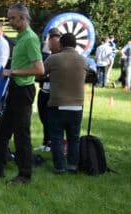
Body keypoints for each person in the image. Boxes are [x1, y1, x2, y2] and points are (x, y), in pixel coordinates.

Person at [0, 3, 44, 184]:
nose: (9, 22)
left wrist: (13, 72)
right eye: (9, 18)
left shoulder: (31, 38)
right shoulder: (21, 37)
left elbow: (39, 69)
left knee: (21, 135)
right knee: (2, 132)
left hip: (24, 92)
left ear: (23, 18)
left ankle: (25, 175)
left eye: (12, 18)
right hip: (15, 89)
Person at [44, 33, 91, 174]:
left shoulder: (53, 58)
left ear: (61, 44)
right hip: (77, 104)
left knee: (57, 137)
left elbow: (41, 73)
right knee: (74, 137)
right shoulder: (83, 60)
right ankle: (72, 165)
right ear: (75, 44)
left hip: (57, 103)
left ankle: (59, 167)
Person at [35, 27, 61, 152]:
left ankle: (51, 143)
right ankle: (46, 142)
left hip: (54, 93)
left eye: (52, 42)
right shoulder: (47, 56)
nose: (50, 44)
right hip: (44, 91)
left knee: (51, 119)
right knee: (44, 117)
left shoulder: (60, 58)